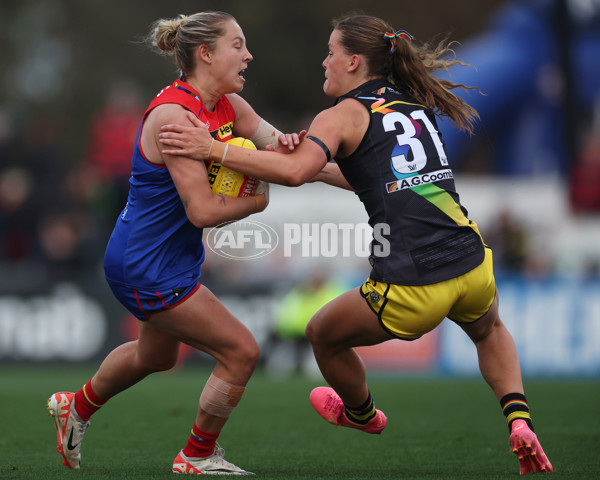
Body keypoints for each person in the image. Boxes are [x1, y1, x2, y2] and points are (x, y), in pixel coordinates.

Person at [158, 13, 553, 475]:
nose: (324, 62)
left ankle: (362, 414)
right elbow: (369, 178)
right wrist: (301, 155)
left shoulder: (342, 113)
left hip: (414, 279)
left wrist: (212, 149)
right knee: (489, 330)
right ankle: (519, 420)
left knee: (321, 333)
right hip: (471, 261)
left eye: (330, 53)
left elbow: (293, 174)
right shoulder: (410, 106)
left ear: (353, 62)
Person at [46, 11, 301, 475]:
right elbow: (202, 211)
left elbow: (283, 154)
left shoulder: (230, 106)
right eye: (237, 45)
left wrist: (336, 161)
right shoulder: (173, 116)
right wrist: (256, 203)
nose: (248, 55)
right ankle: (196, 455)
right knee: (241, 351)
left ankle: (75, 406)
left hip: (169, 258)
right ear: (205, 54)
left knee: (156, 356)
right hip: (145, 263)